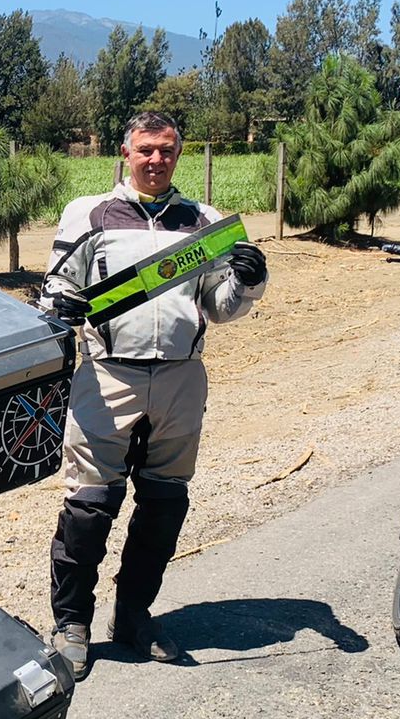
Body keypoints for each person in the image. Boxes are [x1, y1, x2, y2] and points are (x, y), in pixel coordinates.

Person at [39, 111, 267, 678]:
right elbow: (57, 290)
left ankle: (135, 616)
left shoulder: (206, 222)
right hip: (106, 375)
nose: (155, 160)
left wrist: (250, 279)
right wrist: (60, 310)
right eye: (146, 149)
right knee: (89, 507)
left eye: (166, 151)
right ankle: (71, 622)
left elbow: (221, 308)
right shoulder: (88, 213)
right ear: (126, 151)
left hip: (181, 380)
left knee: (165, 504)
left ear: (178, 154)